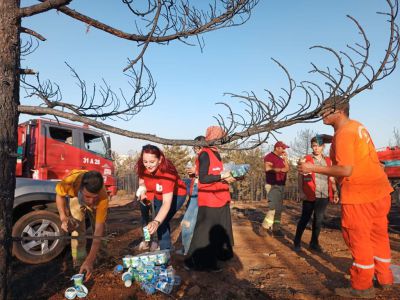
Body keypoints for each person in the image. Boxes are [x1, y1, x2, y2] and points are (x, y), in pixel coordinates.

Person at [298, 97, 393, 299]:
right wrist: (332, 138)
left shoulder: (344, 135)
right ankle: (384, 278)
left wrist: (311, 167)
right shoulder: (356, 127)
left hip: (359, 195)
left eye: (325, 111)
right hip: (379, 192)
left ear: (339, 110)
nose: (321, 114)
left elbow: (346, 169)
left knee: (358, 239)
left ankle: (361, 286)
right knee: (378, 236)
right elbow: (353, 149)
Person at [184, 126, 236, 272]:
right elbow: (204, 178)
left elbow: (216, 175)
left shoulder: (215, 153)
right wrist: (222, 176)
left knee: (216, 232)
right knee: (204, 233)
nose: (223, 141)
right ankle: (194, 262)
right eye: (221, 138)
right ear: (214, 138)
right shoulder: (205, 154)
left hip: (219, 197)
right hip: (210, 199)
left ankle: (213, 259)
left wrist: (229, 177)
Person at [55, 169, 108, 280]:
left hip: (94, 199)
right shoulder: (69, 184)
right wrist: (63, 217)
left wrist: (90, 261)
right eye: (87, 197)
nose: (90, 202)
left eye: (94, 197)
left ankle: (103, 257)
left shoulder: (102, 197)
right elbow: (59, 196)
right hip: (75, 198)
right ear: (80, 188)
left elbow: (98, 231)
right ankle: (79, 261)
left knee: (102, 231)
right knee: (77, 229)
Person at [135, 144, 187, 251]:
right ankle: (147, 241)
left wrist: (157, 221)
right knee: (145, 217)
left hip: (176, 195)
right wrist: (142, 189)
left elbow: (166, 203)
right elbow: (141, 178)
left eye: (152, 162)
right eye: (145, 161)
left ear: (160, 160)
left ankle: (165, 251)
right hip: (152, 194)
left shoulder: (167, 173)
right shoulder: (142, 164)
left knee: (161, 220)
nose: (148, 165)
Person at [293, 136, 339, 253]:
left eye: (318, 146)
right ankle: (297, 242)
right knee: (304, 219)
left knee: (318, 221)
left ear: (323, 146)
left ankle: (314, 243)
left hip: (323, 195)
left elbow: (331, 177)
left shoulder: (328, 161)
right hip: (310, 194)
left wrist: (335, 191)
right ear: (311, 146)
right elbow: (300, 176)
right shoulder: (306, 159)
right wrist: (301, 191)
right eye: (314, 146)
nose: (316, 148)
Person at [179, 136, 204, 255]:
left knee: (188, 222)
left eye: (197, 147)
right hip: (195, 192)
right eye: (194, 148)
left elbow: (211, 173)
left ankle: (188, 251)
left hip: (201, 193)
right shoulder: (198, 158)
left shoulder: (206, 157)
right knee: (188, 222)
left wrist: (196, 172)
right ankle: (187, 249)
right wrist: (192, 173)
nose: (196, 150)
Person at [261, 141, 290, 237]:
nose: (284, 150)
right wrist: (281, 170)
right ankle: (264, 228)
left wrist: (285, 159)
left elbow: (287, 169)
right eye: (283, 148)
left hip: (280, 185)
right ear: (277, 148)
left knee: (278, 209)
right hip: (273, 185)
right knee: (273, 208)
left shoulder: (280, 158)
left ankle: (276, 229)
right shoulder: (269, 157)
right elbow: (267, 169)